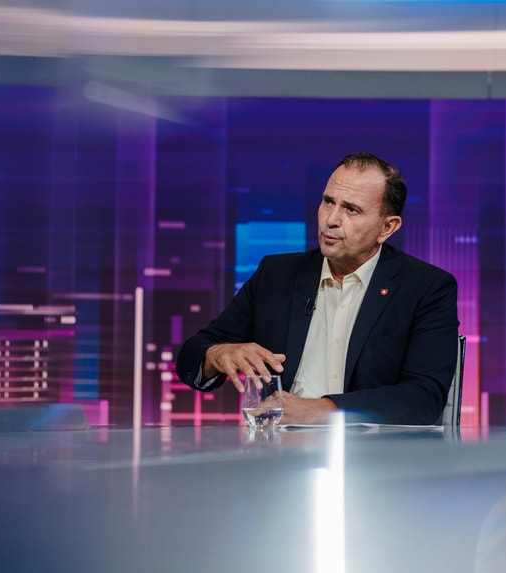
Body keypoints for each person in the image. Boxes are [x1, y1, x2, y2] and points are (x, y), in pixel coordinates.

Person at [176, 152, 459, 425]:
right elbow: (192, 355)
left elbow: (424, 398)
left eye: (351, 209)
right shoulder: (276, 274)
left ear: (387, 227)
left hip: (376, 450)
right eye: (328, 202)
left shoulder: (426, 288)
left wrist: (321, 410)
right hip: (279, 448)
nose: (331, 220)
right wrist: (216, 355)